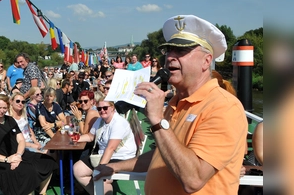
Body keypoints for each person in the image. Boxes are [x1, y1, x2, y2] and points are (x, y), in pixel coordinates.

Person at [93, 15, 247, 195]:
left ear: (206, 61)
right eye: (169, 50)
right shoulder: (176, 103)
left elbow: (193, 179)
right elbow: (162, 155)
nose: (170, 57)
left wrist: (157, 120)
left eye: (181, 51)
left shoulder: (224, 107)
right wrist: (114, 167)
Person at [0, 94, 57, 195]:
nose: (2, 110)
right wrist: (8, 159)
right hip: (1, 162)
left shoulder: (9, 120)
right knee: (28, 172)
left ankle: (42, 192)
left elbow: (21, 140)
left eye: (4, 108)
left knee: (48, 161)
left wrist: (18, 155)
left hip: (19, 155)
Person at [73, 98, 136, 194]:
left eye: (105, 108)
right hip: (104, 154)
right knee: (78, 169)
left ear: (112, 108)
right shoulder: (100, 120)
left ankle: (102, 191)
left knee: (103, 179)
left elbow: (111, 148)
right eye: (99, 108)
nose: (102, 111)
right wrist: (77, 138)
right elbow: (90, 137)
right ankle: (97, 193)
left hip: (122, 157)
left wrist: (100, 168)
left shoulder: (118, 123)